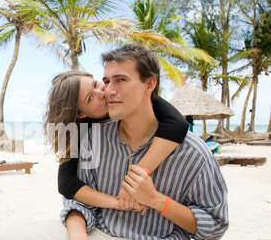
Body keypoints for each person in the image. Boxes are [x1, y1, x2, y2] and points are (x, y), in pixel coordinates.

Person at [0, 44, 229, 240]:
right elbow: (74, 197)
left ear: (149, 85)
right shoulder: (91, 137)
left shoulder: (192, 152)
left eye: (121, 80)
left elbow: (215, 224)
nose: (108, 91)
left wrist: (158, 201)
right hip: (96, 235)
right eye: (106, 81)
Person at [45, 70, 188, 212]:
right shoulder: (74, 130)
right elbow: (66, 183)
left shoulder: (129, 97)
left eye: (96, 84)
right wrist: (118, 203)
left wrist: (133, 180)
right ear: (80, 114)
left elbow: (177, 123)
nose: (102, 93)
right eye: (90, 98)